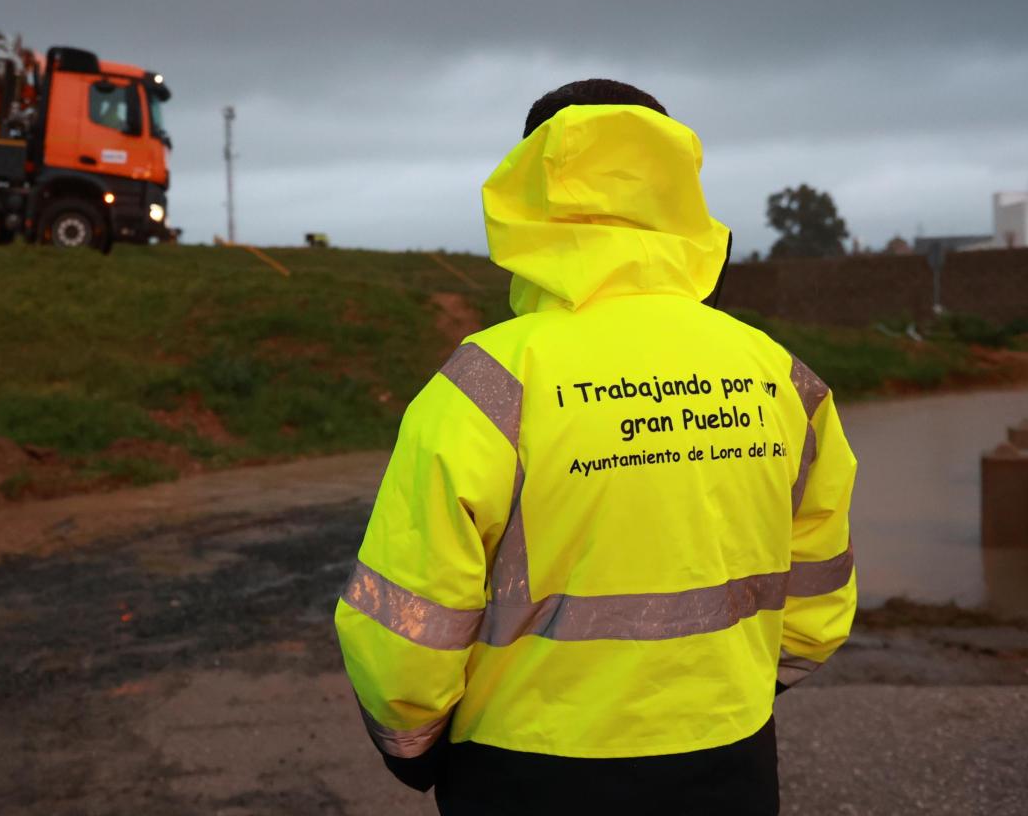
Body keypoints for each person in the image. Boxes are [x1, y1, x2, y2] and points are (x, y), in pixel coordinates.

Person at [333, 80, 857, 815]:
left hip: (527, 772)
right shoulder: (783, 378)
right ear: (676, 187)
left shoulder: (486, 386)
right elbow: (819, 596)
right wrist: (735, 700)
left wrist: (414, 749)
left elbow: (404, 632)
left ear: (529, 184)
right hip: (729, 762)